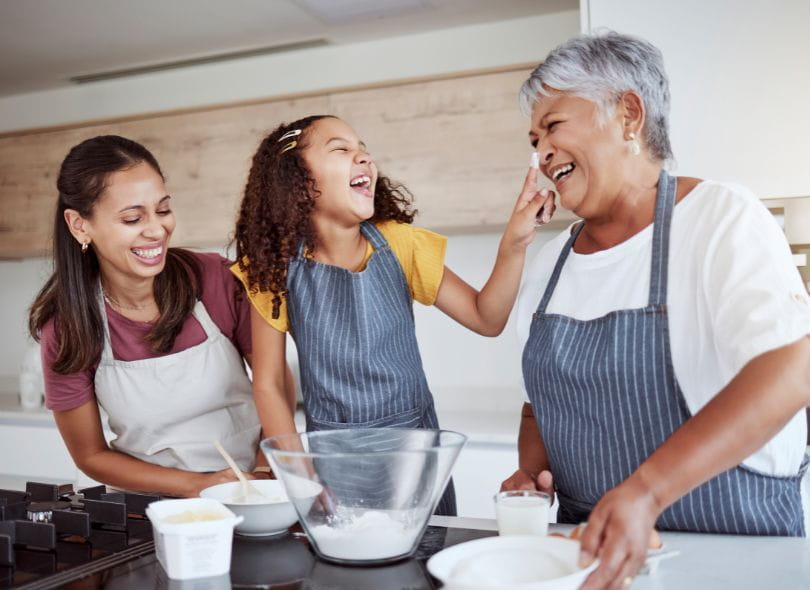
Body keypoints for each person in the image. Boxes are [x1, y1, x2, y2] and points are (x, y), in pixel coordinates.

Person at [501, 31, 810, 589]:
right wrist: (530, 470)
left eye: (554, 127)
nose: (541, 153)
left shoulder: (720, 218)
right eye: (534, 138)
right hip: (593, 567)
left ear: (628, 113)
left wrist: (646, 491)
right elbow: (538, 407)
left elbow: (792, 368)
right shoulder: (548, 266)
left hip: (733, 560)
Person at [231, 115, 555, 515]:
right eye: (341, 149)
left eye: (362, 148)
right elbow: (267, 384)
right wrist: (301, 479)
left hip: (415, 457)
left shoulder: (401, 244)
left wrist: (515, 242)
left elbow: (486, 318)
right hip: (333, 463)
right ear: (295, 179)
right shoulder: (271, 266)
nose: (363, 157)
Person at [29, 135, 294, 497]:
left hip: (252, 490)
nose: (156, 230)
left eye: (163, 210)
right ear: (79, 225)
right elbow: (90, 454)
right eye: (133, 218)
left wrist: (266, 469)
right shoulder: (66, 327)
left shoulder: (215, 278)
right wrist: (200, 486)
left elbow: (275, 382)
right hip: (146, 506)